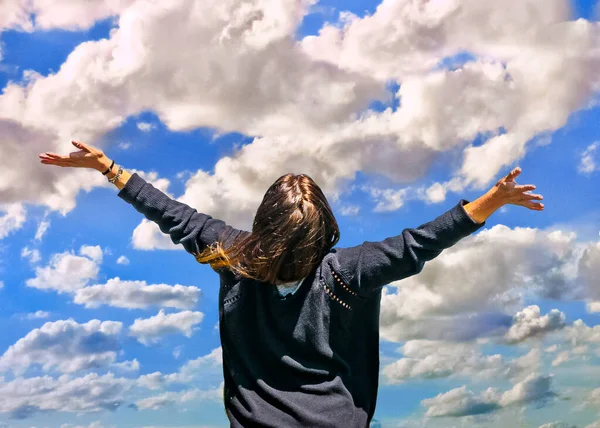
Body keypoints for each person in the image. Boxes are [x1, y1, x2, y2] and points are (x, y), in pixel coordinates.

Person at [39, 141, 544, 428]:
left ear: (264, 222)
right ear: (325, 227)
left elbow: (172, 214)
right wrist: (489, 203)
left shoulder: (233, 254)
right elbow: (419, 243)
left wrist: (108, 168)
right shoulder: (347, 270)